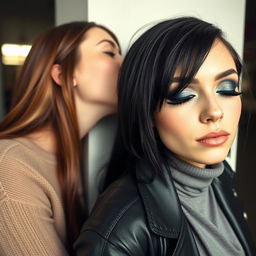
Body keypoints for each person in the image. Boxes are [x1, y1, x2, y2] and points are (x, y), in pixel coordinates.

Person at [74, 17, 256, 255]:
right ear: (147, 110)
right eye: (183, 94)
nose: (214, 111)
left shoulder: (222, 179)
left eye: (227, 88)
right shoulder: (117, 234)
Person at [0, 21, 122, 255]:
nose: (126, 63)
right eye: (109, 52)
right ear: (63, 73)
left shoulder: (72, 159)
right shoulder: (10, 165)